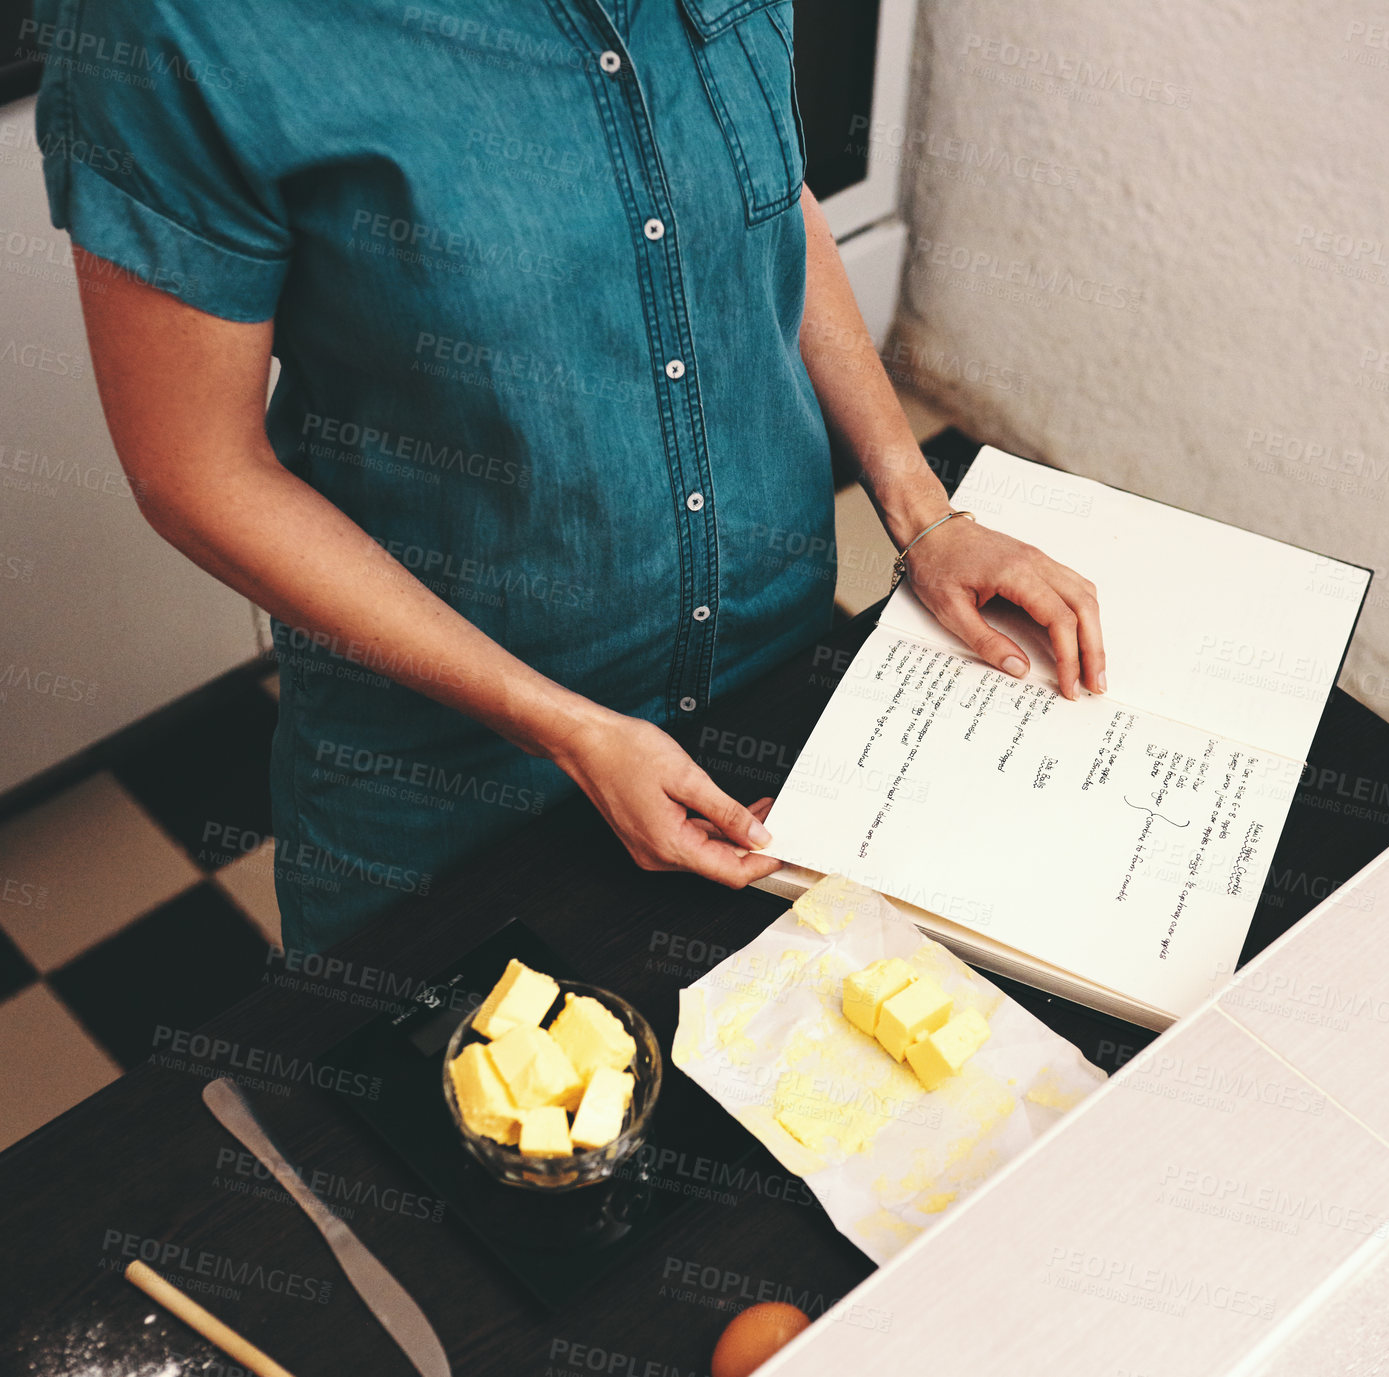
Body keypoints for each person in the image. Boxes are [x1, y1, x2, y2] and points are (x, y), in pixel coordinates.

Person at [32, 0, 1105, 955]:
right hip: (459, 781)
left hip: (780, 694)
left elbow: (766, 196)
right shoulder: (173, 27)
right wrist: (568, 728)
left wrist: (923, 517)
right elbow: (197, 471)